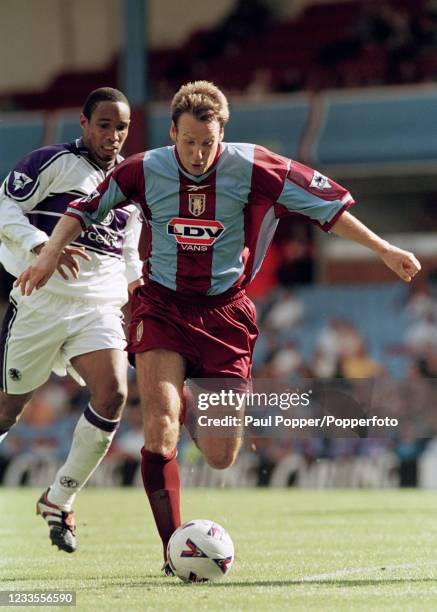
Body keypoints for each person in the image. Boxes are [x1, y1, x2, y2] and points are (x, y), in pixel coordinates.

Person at [16, 80, 421, 573]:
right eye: (188, 142)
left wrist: (384, 250)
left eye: (207, 143)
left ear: (222, 134)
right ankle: (172, 551)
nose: (198, 154)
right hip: (161, 308)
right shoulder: (143, 169)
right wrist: (48, 253)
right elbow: (82, 210)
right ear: (172, 133)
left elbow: (329, 209)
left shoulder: (254, 166)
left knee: (220, 454)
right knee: (160, 427)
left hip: (226, 315)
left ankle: (183, 396)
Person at [0, 87, 142, 553]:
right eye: (104, 125)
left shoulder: (130, 184)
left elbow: (127, 255)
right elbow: (3, 206)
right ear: (84, 124)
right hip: (40, 302)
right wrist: (42, 246)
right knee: (7, 410)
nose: (113, 135)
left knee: (115, 391)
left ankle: (59, 498)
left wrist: (136, 291)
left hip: (97, 307)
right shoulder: (51, 161)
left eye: (120, 127)